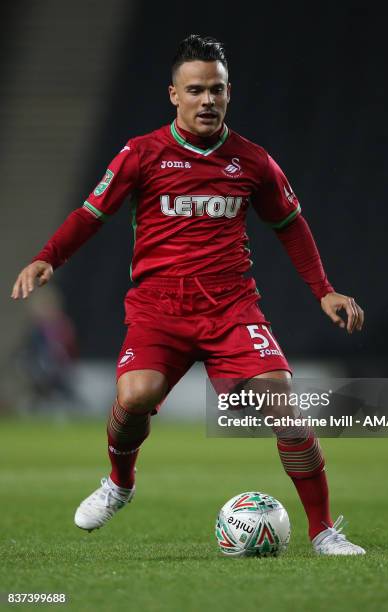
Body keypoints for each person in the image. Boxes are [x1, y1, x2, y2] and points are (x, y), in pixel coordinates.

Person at [11, 35, 365, 555]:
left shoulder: (252, 161)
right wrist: (48, 257)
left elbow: (290, 225)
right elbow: (92, 213)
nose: (207, 100)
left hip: (231, 307)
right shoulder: (142, 153)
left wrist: (324, 291)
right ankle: (119, 483)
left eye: (217, 90)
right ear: (173, 94)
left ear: (228, 94)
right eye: (196, 89)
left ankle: (323, 532)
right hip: (159, 308)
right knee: (135, 397)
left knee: (282, 406)